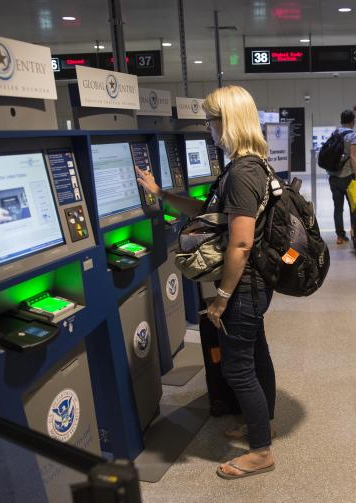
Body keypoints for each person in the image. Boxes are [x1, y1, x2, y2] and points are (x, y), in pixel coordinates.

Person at [136, 85, 276, 480]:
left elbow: (241, 241)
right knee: (256, 355)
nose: (208, 128)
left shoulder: (243, 171)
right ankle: (262, 424)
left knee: (238, 368)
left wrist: (222, 298)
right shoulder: (253, 165)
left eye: (211, 120)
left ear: (227, 122)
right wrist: (162, 194)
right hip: (255, 284)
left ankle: (261, 452)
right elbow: (211, 211)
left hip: (244, 286)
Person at [327, 110, 356, 244]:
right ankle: (355, 232)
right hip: (347, 177)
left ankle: (340, 236)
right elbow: (353, 158)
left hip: (333, 177)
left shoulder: (335, 133)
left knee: (338, 208)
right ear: (352, 121)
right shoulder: (353, 136)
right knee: (353, 207)